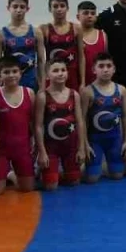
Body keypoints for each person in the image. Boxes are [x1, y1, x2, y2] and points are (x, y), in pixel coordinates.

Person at [35, 58, 84, 189]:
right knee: (51, 186)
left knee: (74, 182)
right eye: (55, 70)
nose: (60, 73)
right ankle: (46, 172)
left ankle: (59, 172)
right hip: (51, 148)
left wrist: (81, 148)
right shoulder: (42, 96)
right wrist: (42, 152)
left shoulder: (74, 94)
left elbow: (80, 122)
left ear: (67, 73)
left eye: (63, 70)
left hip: (71, 146)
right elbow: (38, 126)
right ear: (47, 75)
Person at [81, 52, 126, 181]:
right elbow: (82, 120)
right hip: (95, 140)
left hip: (114, 138)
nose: (105, 70)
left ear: (114, 69)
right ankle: (87, 167)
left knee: (118, 176)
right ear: (94, 70)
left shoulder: (121, 90)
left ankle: (107, 164)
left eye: (108, 66)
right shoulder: (87, 92)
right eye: (101, 66)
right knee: (92, 179)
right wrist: (85, 144)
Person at [0, 56, 37, 193]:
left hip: (22, 148)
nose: (11, 75)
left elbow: (34, 121)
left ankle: (11, 175)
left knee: (28, 188)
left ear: (20, 73)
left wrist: (35, 142)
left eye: (14, 71)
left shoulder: (29, 93)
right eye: (6, 72)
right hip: (1, 150)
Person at [0, 0, 40, 92]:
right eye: (15, 7)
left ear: (27, 9)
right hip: (10, 83)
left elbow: (41, 61)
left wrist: (42, 87)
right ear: (8, 8)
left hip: (31, 82)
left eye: (22, 7)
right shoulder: (0, 35)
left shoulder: (36, 33)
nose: (18, 10)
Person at [41, 0, 82, 91]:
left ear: (67, 8)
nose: (59, 9)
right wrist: (42, 82)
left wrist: (83, 81)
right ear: (50, 9)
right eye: (55, 6)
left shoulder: (76, 28)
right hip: (52, 76)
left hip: (71, 75)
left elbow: (81, 56)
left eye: (62, 6)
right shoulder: (44, 29)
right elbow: (40, 59)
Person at [77, 1, 108, 85]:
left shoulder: (103, 35)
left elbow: (106, 61)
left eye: (93, 13)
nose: (89, 16)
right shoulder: (74, 36)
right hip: (78, 83)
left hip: (98, 84)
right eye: (86, 13)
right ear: (78, 17)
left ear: (96, 17)